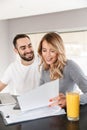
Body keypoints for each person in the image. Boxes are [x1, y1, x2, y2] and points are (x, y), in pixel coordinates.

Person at [38, 32, 87, 108]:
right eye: (44, 50)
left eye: (52, 51)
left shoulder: (70, 66)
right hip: (52, 111)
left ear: (59, 51)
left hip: (70, 111)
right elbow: (40, 93)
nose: (47, 55)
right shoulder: (45, 68)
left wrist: (68, 100)